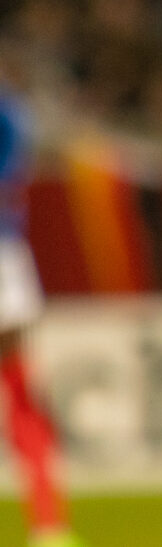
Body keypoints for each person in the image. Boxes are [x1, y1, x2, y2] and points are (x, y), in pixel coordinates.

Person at [0, 87, 77, 547]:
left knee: (20, 386)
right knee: (19, 386)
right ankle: (49, 525)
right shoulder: (12, 114)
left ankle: (48, 522)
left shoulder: (9, 114)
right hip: (5, 257)